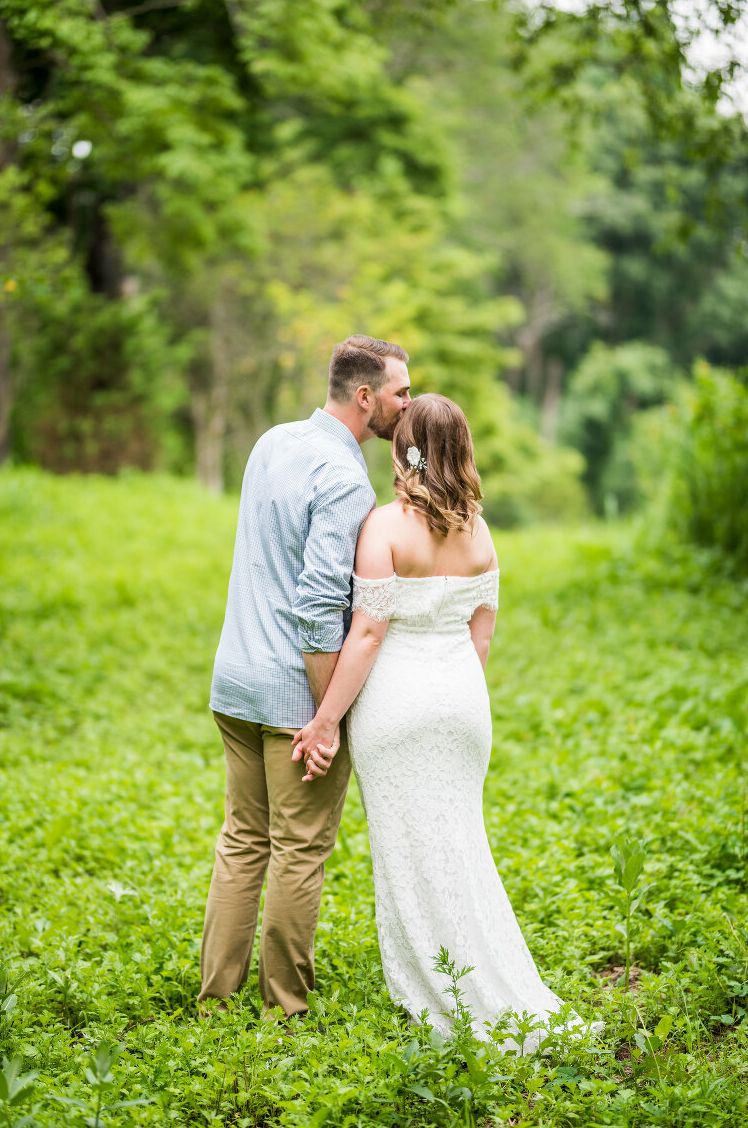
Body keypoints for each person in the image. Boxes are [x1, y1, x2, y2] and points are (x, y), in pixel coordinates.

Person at [293, 394, 598, 1048]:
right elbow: (479, 642)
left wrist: (324, 722)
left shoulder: (384, 527)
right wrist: (452, 693)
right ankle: (487, 977)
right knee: (461, 844)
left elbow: (368, 634)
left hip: (397, 707)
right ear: (461, 449)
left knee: (410, 851)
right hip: (463, 704)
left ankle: (439, 987)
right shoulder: (481, 533)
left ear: (405, 449)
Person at [198, 334, 411, 1018]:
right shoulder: (347, 479)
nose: (406, 405)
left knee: (243, 841)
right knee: (300, 849)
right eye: (400, 393)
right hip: (293, 696)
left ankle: (217, 1002)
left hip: (234, 680)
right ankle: (285, 1008)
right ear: (365, 396)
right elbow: (320, 606)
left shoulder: (273, 442)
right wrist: (327, 720)